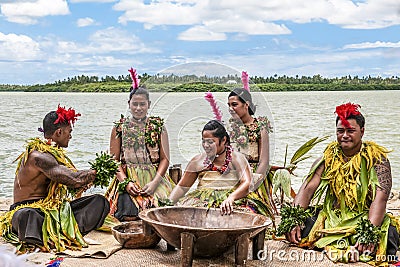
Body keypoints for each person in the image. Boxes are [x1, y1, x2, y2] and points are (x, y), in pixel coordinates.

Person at [283, 103, 399, 264]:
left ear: (362, 131)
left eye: (350, 131)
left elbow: (380, 198)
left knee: (388, 237)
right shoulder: (327, 158)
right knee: (301, 226)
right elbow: (308, 188)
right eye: (340, 131)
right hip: (333, 217)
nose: (344, 135)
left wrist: (368, 232)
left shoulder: (377, 160)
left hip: (364, 217)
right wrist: (293, 219)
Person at [0, 105, 110, 252]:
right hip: (31, 211)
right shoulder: (39, 156)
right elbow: (74, 179)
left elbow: (72, 181)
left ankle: (57, 234)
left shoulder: (54, 155)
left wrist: (84, 182)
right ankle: (45, 235)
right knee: (26, 216)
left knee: (99, 202)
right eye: (69, 132)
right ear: (59, 132)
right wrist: (96, 172)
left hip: (53, 212)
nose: (70, 136)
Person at [105, 68, 173, 221]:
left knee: (161, 212)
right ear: (129, 104)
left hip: (155, 177)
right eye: (135, 104)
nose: (138, 108)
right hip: (127, 177)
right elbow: (113, 161)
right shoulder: (119, 128)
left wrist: (155, 182)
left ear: (149, 104)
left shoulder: (159, 127)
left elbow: (165, 159)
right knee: (127, 213)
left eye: (142, 104)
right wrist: (126, 182)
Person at [169, 120, 253, 215]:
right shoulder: (197, 161)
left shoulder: (236, 158)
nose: (205, 145)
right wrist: (167, 204)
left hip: (231, 200)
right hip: (203, 200)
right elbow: (182, 187)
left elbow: (246, 183)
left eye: (210, 142)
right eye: (203, 141)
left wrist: (231, 198)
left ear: (224, 140)